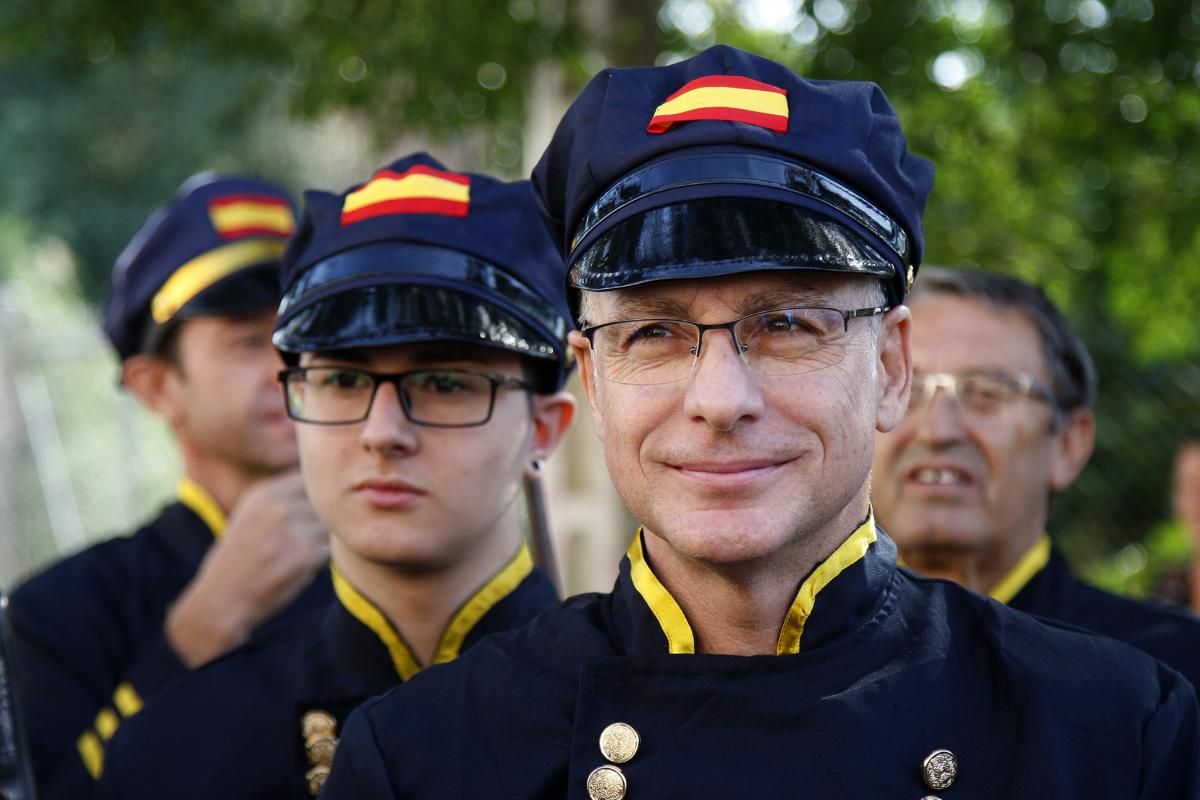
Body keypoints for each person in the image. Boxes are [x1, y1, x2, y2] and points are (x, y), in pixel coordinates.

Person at [320, 46, 1198, 798]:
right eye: (654, 333)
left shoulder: (1113, 733)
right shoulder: (426, 758)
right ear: (592, 382)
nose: (719, 397)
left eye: (785, 324)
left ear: (892, 367)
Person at [95, 154, 577, 799]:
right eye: (343, 381)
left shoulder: (647, 724)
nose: (382, 433)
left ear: (543, 428)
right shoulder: (172, 753)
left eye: (442, 383)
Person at [6, 175, 332, 798]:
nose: (287, 364)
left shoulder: (400, 560)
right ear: (156, 386)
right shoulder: (58, 614)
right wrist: (199, 631)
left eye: (304, 329)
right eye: (245, 340)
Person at [871, 266, 1200, 686]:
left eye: (986, 394)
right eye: (907, 390)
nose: (937, 430)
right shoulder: (796, 661)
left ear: (1068, 445)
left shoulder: (1167, 676)